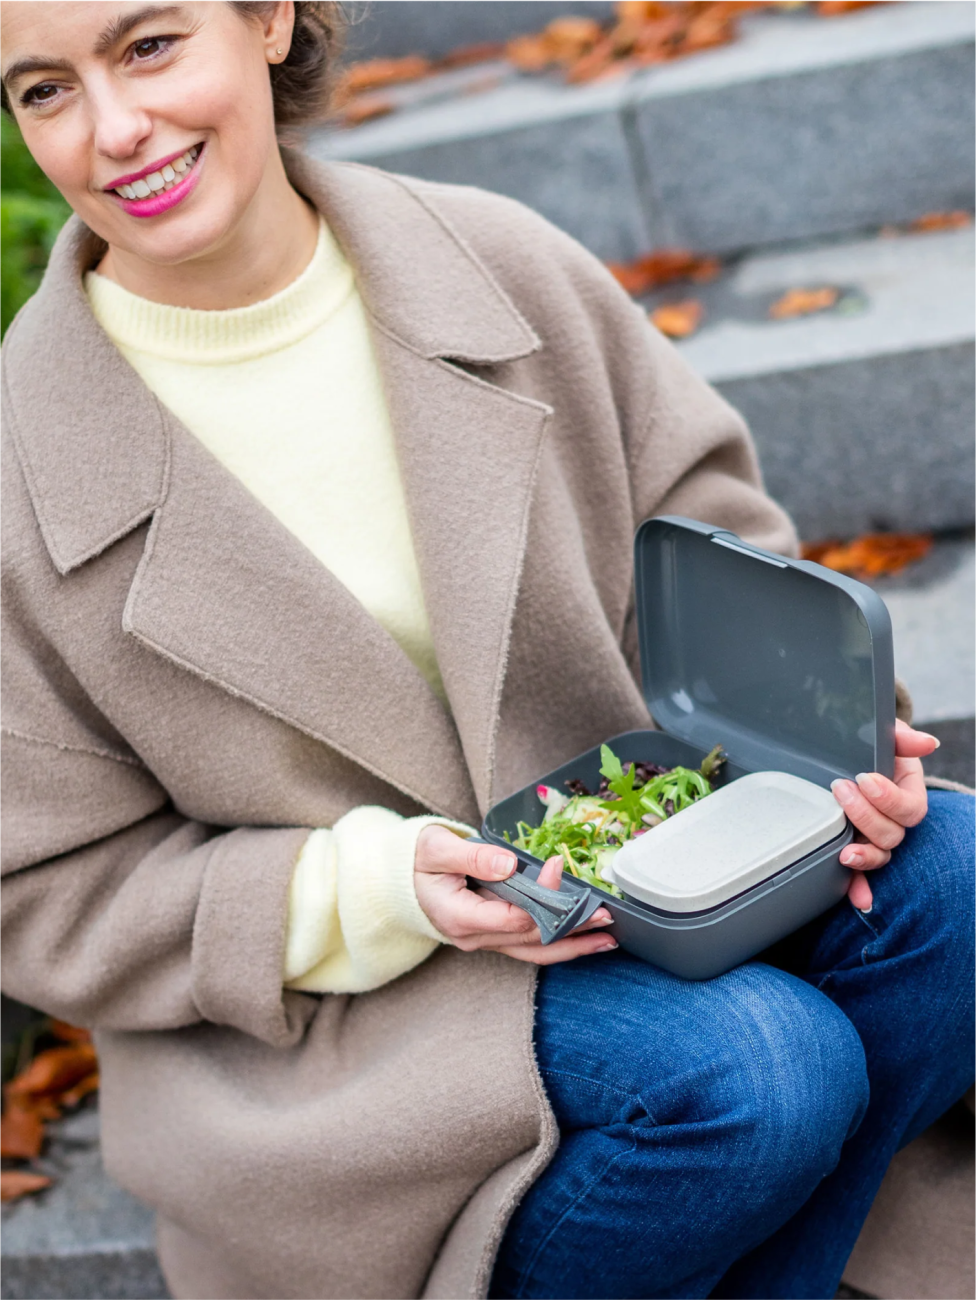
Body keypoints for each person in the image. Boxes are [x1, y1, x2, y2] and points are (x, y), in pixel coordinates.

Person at [0, 2, 974, 1298]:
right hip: (342, 1024)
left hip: (648, 851)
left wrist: (829, 742)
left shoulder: (496, 261)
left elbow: (716, 544)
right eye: (44, 90)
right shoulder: (24, 465)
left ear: (272, 20)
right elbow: (47, 891)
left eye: (150, 46)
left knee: (956, 877)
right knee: (760, 1069)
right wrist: (374, 886)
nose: (114, 130)